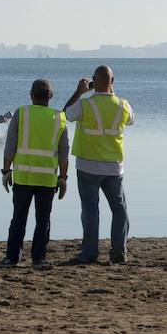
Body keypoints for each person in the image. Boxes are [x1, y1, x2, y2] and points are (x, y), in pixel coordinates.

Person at [62, 65, 134, 264]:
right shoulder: (123, 105)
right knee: (119, 209)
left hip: (88, 165)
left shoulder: (86, 104)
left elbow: (65, 114)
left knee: (90, 210)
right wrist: (111, 91)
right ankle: (119, 252)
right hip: (113, 166)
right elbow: (131, 121)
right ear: (113, 81)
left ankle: (90, 252)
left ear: (94, 82)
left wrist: (79, 92)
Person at [0, 78, 70, 267]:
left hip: (23, 176)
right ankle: (39, 258)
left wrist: (6, 171)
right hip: (47, 178)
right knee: (43, 220)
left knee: (19, 218)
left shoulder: (22, 113)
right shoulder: (59, 117)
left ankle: (12, 258)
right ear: (51, 96)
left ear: (31, 95)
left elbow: (10, 147)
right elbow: (64, 153)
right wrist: (63, 178)